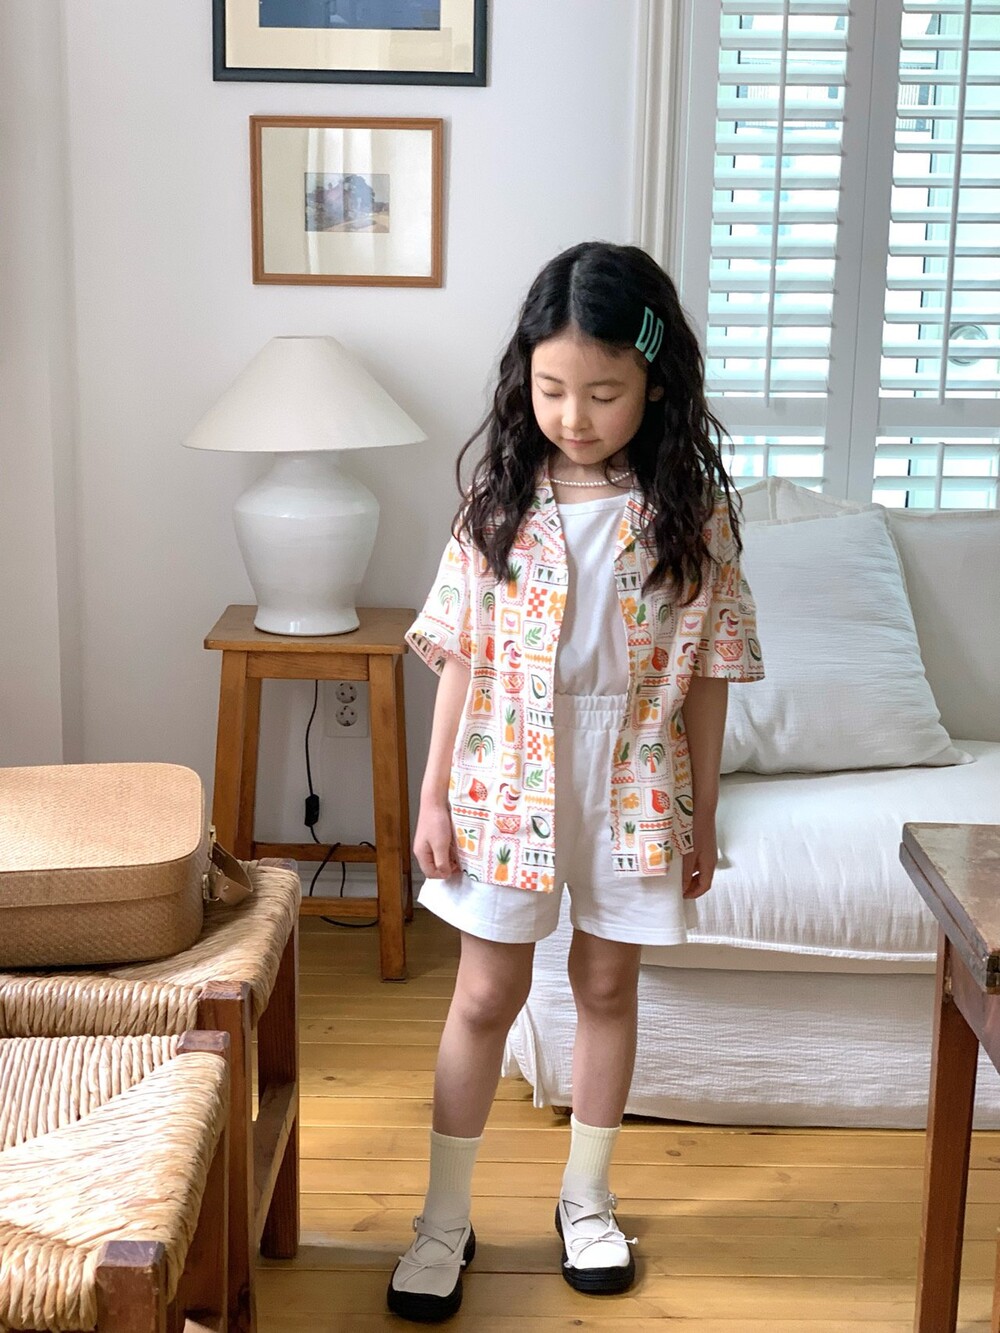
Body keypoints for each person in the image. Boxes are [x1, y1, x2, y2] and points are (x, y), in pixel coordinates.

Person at [388, 240, 764, 1323]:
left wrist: (702, 810)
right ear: (525, 378)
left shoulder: (690, 512)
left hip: (635, 768)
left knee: (606, 987)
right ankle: (443, 1218)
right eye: (552, 389)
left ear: (656, 380)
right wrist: (431, 796)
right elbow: (462, 657)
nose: (574, 415)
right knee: (482, 994)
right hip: (506, 766)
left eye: (603, 393)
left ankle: (587, 1200)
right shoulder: (498, 501)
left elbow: (709, 673)